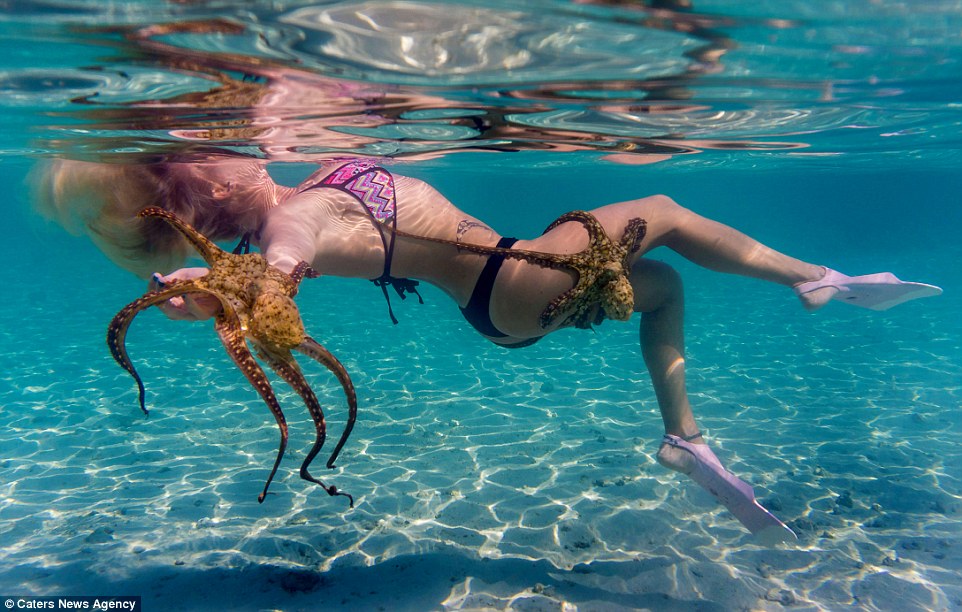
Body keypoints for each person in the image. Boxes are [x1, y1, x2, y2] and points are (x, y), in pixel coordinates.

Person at [32, 153, 941, 544]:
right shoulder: (292, 218)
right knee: (660, 212)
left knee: (663, 286)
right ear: (205, 183)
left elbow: (284, 249)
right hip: (514, 280)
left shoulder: (299, 185)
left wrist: (219, 282)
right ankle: (817, 278)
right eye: (208, 153)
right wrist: (244, 285)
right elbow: (287, 261)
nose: (229, 150)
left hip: (505, 295)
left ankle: (687, 440)